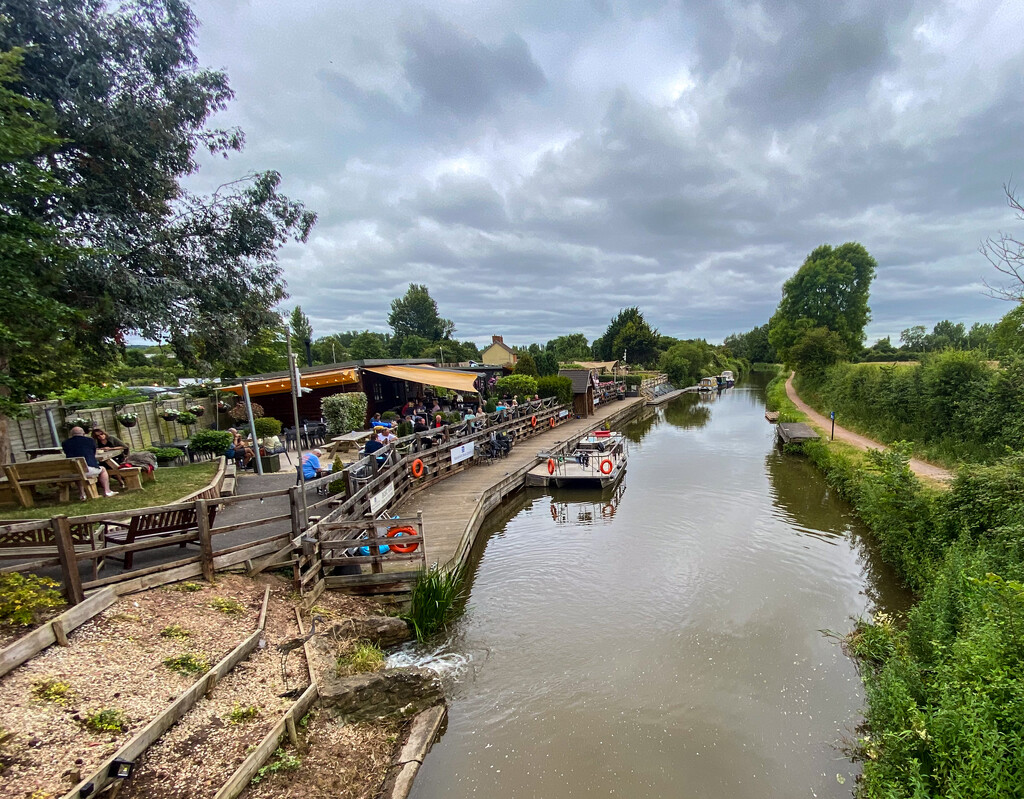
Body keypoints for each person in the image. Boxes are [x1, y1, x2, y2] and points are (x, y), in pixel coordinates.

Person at [61, 426, 116, 498]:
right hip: (88, 469)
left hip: (72, 472)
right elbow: (94, 453)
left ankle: (82, 494)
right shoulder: (90, 440)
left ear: (71, 434)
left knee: (78, 470)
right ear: (83, 433)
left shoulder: (65, 443)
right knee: (103, 469)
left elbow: (66, 452)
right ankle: (107, 491)